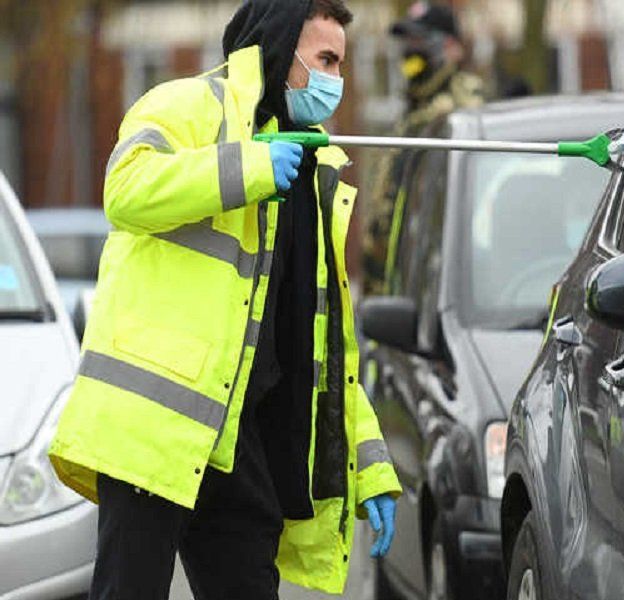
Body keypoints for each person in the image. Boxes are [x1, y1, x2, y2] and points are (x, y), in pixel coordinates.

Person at [47, 1, 401, 598]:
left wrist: (369, 468)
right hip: (154, 429)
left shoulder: (314, 170)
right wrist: (249, 167)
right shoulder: (183, 105)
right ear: (280, 50)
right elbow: (125, 189)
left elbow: (321, 347)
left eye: (341, 64)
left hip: (240, 442)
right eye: (325, 60)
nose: (335, 80)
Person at [362, 1, 484, 293]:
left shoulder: (465, 111)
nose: (411, 51)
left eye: (421, 41)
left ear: (452, 48)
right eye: (408, 42)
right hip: (391, 278)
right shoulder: (412, 110)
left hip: (437, 281)